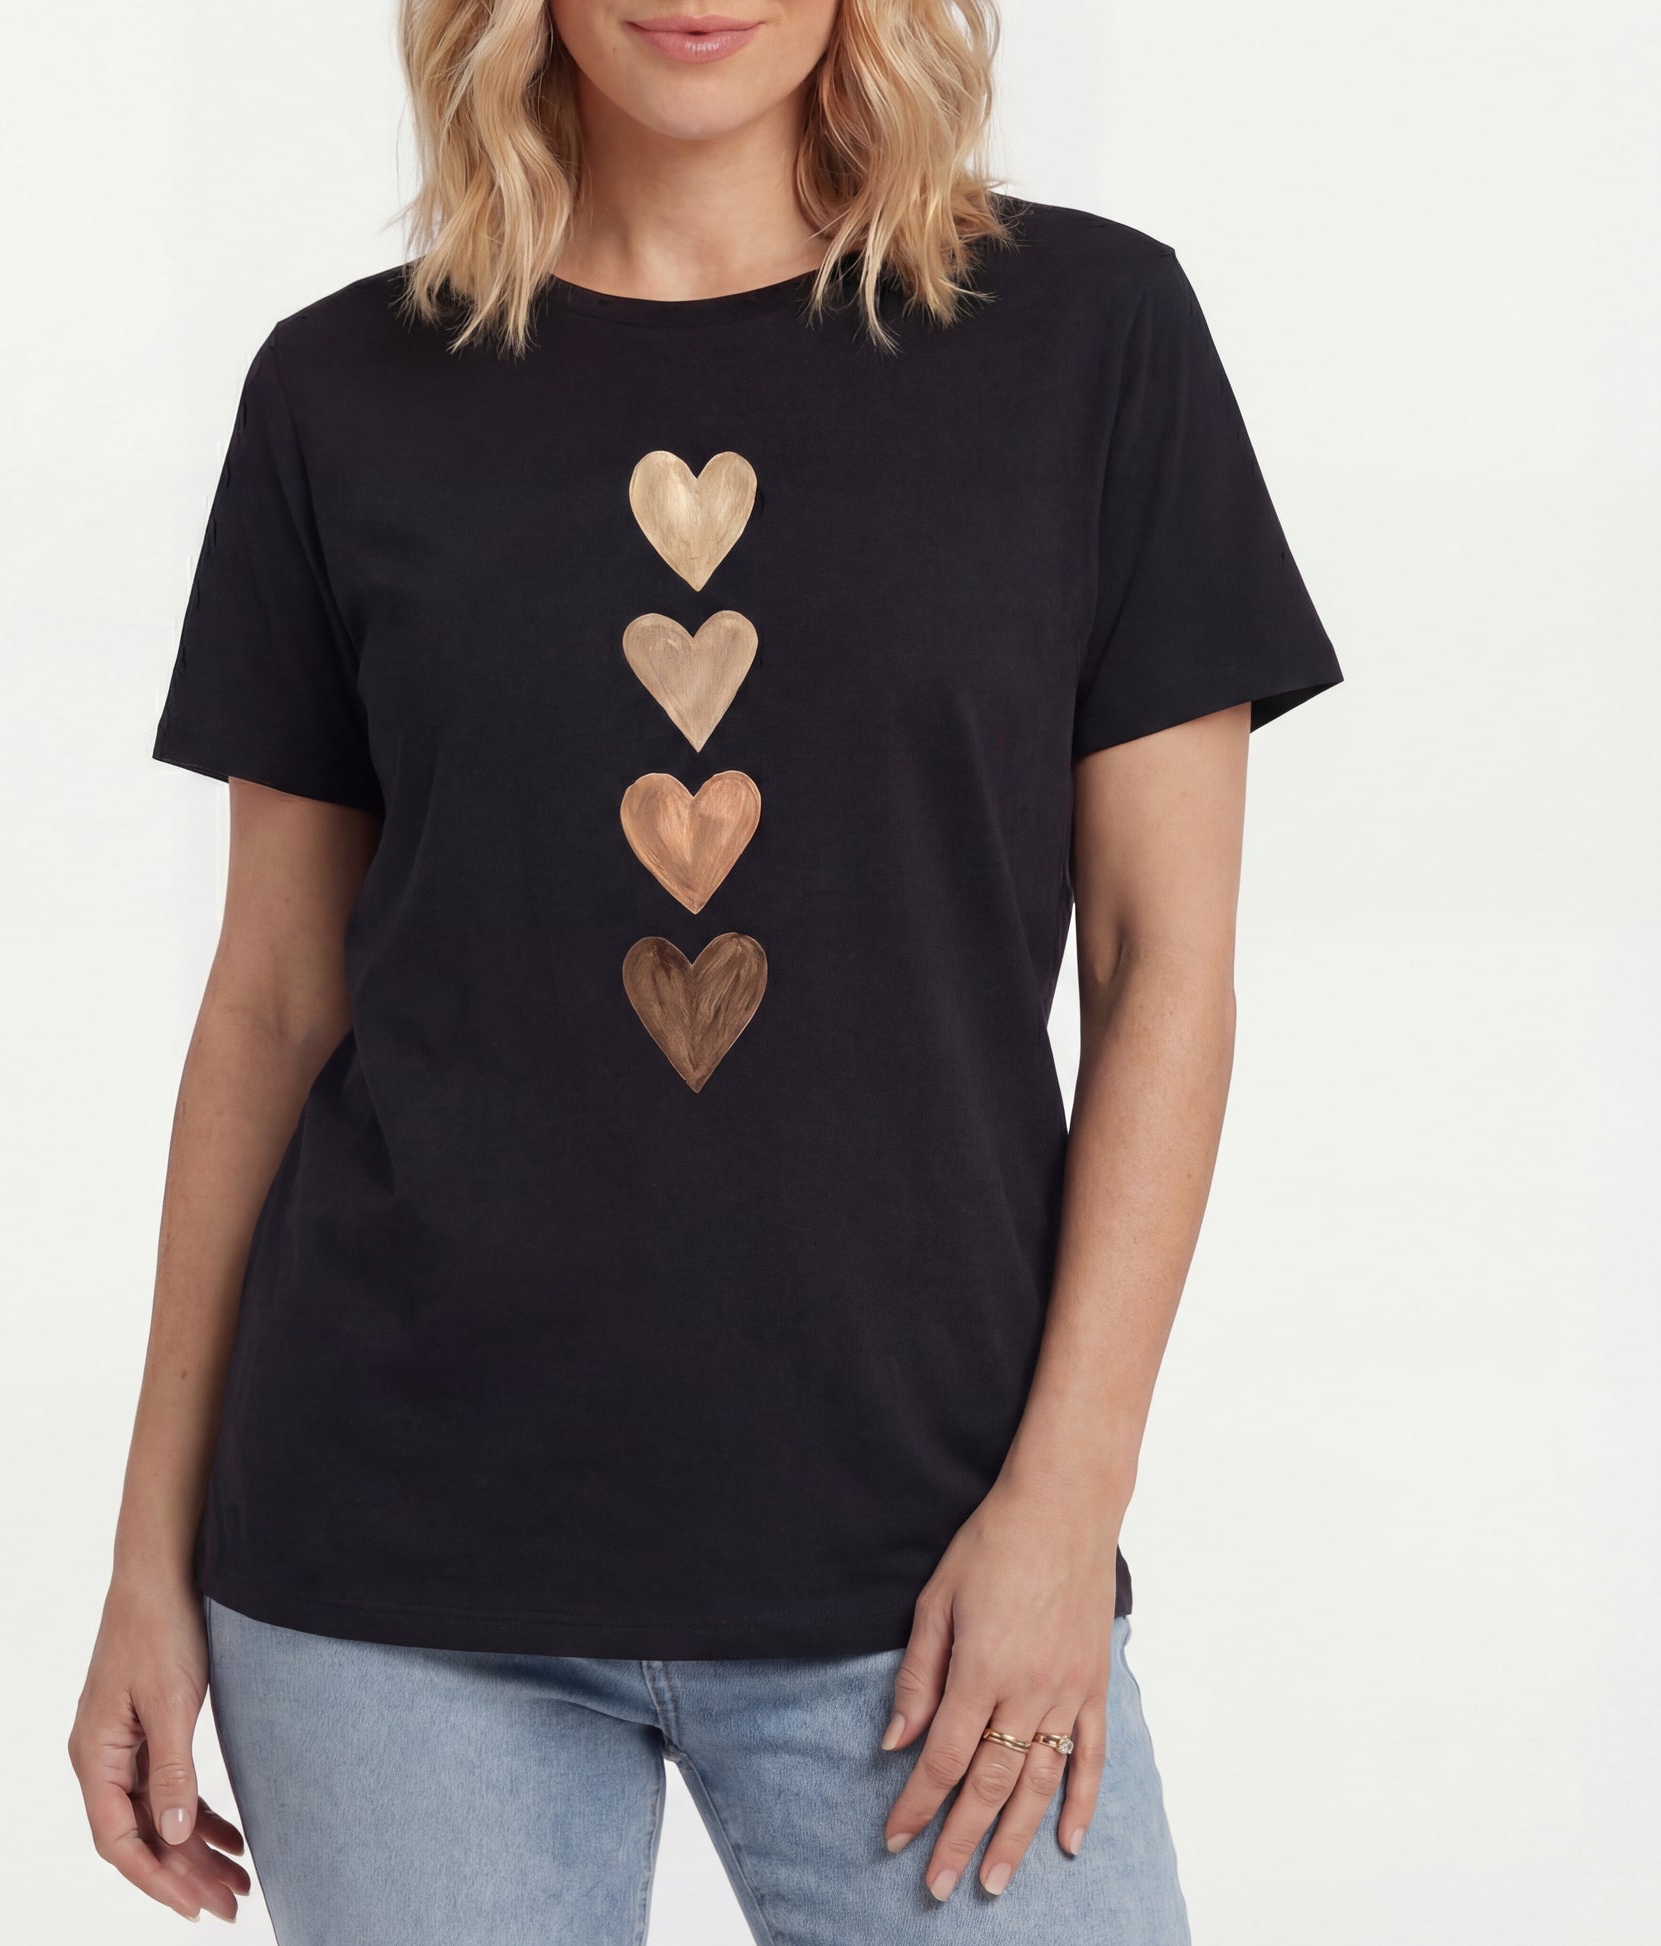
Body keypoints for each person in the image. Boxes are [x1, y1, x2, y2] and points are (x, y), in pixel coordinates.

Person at [68, 0, 1340, 1938]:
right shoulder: (341, 392)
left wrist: (1066, 1504)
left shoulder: (1088, 341)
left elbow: (1164, 962)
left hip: (927, 1568)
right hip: (392, 1580)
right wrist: (144, 1562)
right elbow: (270, 1005)